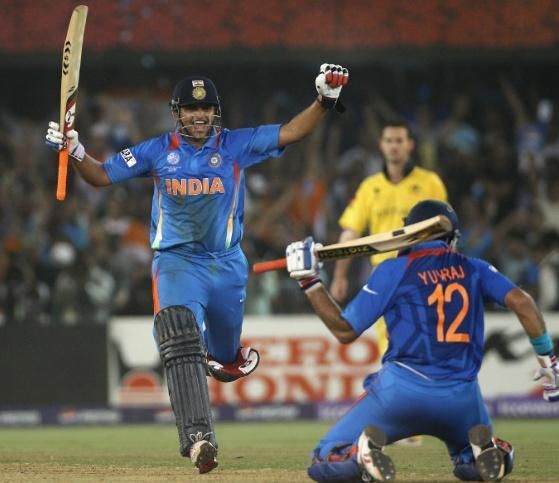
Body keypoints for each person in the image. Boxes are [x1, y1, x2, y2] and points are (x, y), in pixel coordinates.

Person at [46, 63, 350, 474]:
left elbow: (292, 132)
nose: (200, 116)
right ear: (178, 113)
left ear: (215, 112)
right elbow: (100, 176)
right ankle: (197, 439)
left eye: (205, 109)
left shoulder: (234, 145)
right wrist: (76, 151)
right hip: (177, 263)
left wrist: (323, 101)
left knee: (225, 359)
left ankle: (226, 359)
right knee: (178, 331)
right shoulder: (157, 150)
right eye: (191, 109)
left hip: (227, 265)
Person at [285, 200, 559, 482]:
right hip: (462, 400)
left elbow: (344, 331)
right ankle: (491, 451)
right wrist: (549, 362)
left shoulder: (392, 270)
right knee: (468, 464)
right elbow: (523, 302)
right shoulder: (474, 268)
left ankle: (359, 455)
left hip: (401, 394)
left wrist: (309, 280)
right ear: (451, 239)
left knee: (323, 457)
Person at [330, 120, 448, 354]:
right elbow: (351, 232)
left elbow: (445, 231)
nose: (394, 146)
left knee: (424, 338)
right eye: (389, 141)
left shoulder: (430, 183)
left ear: (410, 145)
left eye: (399, 141)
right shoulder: (369, 187)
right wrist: (340, 275)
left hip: (422, 272)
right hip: (383, 274)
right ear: (381, 146)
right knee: (389, 342)